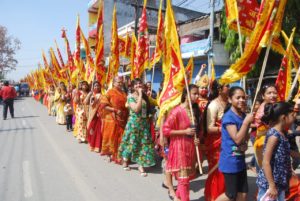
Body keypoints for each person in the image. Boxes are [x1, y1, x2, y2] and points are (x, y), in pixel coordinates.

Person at [163, 84, 201, 201]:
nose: (197, 96)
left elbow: (193, 132)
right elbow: (166, 130)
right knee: (183, 179)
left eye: (197, 94)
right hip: (179, 147)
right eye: (194, 93)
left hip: (189, 147)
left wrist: (196, 139)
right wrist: (184, 131)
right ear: (186, 95)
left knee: (185, 179)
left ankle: (178, 198)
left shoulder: (193, 111)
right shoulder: (177, 111)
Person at [216, 86, 253, 201]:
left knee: (243, 193)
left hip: (240, 160)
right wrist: (246, 122)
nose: (242, 100)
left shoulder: (242, 115)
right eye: (238, 97)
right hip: (230, 161)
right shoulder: (228, 117)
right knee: (230, 194)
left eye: (243, 97)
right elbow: (237, 139)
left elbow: (243, 139)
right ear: (230, 99)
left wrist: (245, 145)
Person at [256, 102, 295, 201]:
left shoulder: (282, 133)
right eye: (292, 115)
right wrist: (271, 185)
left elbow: (285, 152)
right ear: (283, 118)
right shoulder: (274, 136)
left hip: (279, 182)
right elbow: (266, 162)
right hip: (270, 185)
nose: (295, 117)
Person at [119, 78, 156, 176]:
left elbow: (152, 106)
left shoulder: (145, 97)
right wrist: (140, 95)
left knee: (144, 144)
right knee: (131, 143)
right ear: (132, 86)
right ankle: (125, 160)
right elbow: (136, 109)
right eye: (136, 84)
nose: (138, 86)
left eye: (140, 84)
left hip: (144, 124)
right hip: (133, 124)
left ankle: (141, 165)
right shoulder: (130, 97)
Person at [204, 80, 229, 201]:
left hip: (230, 142)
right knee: (218, 172)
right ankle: (214, 197)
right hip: (217, 144)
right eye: (227, 86)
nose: (229, 88)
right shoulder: (213, 105)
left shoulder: (230, 102)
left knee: (228, 172)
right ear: (219, 89)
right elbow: (209, 128)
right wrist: (225, 129)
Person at [100, 76, 128, 163]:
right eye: (118, 82)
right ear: (114, 83)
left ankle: (118, 154)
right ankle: (109, 154)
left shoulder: (124, 93)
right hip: (112, 118)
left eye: (121, 82)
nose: (120, 84)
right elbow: (103, 105)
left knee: (120, 137)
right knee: (111, 136)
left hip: (122, 117)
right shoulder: (110, 92)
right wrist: (114, 110)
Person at [254, 84, 278, 168]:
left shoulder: (271, 106)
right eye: (269, 93)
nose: (272, 95)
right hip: (263, 142)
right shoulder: (264, 109)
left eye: (274, 93)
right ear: (263, 96)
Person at [86, 81, 103, 152]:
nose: (97, 87)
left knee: (98, 131)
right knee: (91, 129)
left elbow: (102, 105)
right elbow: (86, 102)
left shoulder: (101, 95)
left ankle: (97, 146)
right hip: (91, 114)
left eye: (98, 86)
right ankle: (91, 144)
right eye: (95, 86)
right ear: (93, 87)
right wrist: (89, 95)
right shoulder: (91, 94)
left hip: (98, 115)